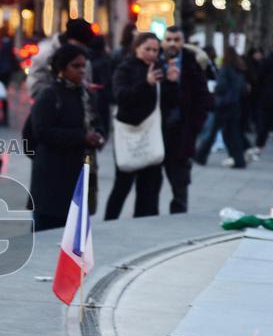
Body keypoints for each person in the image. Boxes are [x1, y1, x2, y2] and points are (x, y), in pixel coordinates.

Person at [29, 44, 105, 231]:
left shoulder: (85, 93)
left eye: (83, 66)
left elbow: (98, 122)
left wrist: (98, 136)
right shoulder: (49, 94)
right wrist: (81, 137)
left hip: (79, 173)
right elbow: (41, 131)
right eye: (76, 66)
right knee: (47, 234)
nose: (81, 71)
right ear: (62, 68)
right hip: (52, 178)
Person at [104, 32, 170, 220]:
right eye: (147, 49)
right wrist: (145, 83)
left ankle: (145, 221)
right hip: (130, 133)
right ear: (136, 48)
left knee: (150, 186)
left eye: (155, 50)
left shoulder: (159, 68)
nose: (151, 53)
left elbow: (167, 102)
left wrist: (171, 83)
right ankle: (110, 221)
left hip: (151, 133)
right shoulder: (124, 68)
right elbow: (121, 96)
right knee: (123, 184)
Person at [159, 26, 210, 214]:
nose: (172, 43)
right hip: (157, 130)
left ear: (183, 41)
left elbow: (203, 98)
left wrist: (195, 127)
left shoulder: (192, 63)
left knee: (180, 181)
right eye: (169, 39)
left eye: (176, 39)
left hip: (182, 131)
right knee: (151, 181)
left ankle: (178, 214)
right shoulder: (156, 61)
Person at [195, 47, 248, 168]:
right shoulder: (239, 69)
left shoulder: (225, 68)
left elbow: (221, 86)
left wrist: (216, 90)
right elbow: (243, 89)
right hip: (235, 104)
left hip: (223, 104)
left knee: (213, 131)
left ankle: (201, 155)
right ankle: (239, 159)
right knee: (232, 133)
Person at [27, 18, 94, 100]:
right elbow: (36, 87)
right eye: (80, 45)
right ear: (71, 40)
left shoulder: (81, 54)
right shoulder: (46, 54)